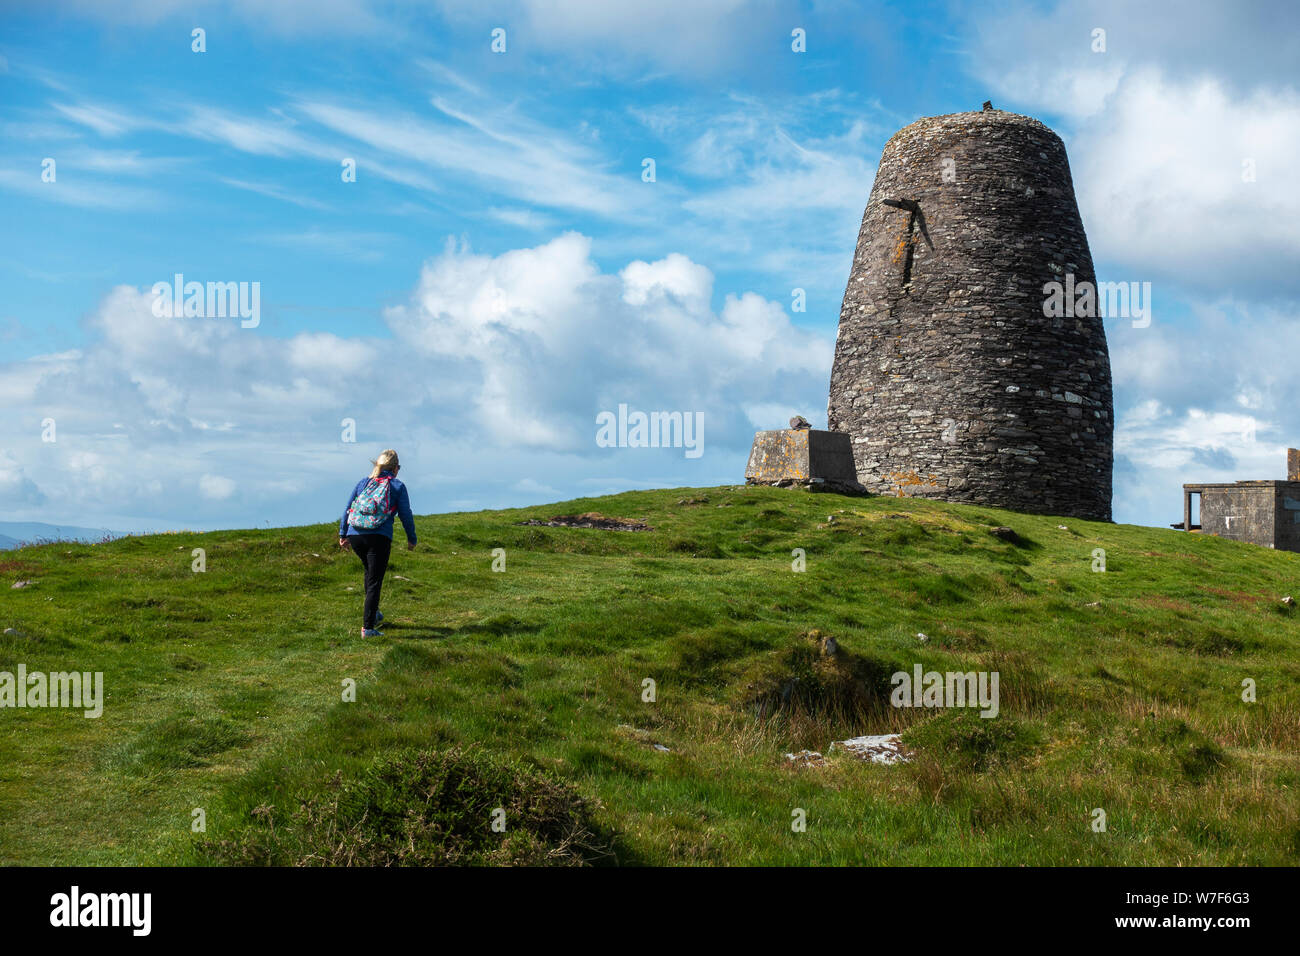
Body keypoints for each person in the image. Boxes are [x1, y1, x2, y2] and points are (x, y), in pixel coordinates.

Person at [339, 449, 416, 637]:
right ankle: (368, 628)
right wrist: (411, 538)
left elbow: (348, 507)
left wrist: (343, 534)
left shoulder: (364, 482)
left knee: (369, 573)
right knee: (374, 581)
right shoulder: (397, 486)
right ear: (395, 468)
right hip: (378, 536)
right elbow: (405, 514)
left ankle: (373, 615)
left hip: (355, 534)